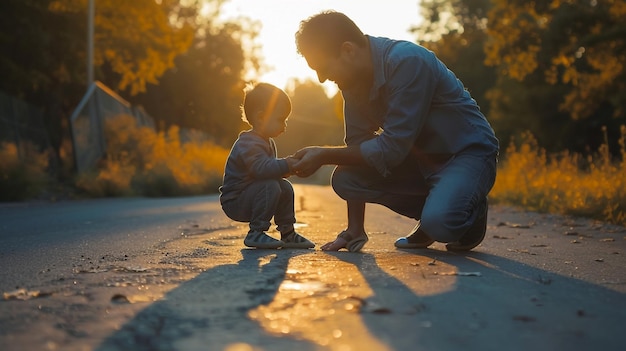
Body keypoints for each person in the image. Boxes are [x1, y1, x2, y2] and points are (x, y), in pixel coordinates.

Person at [291, 11, 499, 252]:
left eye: (323, 67)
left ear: (348, 50)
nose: (321, 79)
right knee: (346, 178)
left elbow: (391, 149)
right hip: (420, 161)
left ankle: (467, 210)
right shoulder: (352, 82)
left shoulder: (407, 61)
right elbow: (357, 146)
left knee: (442, 224)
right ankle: (437, 208)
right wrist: (354, 229)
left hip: (464, 153)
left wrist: (323, 155)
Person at [219, 83, 315, 249]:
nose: (284, 126)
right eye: (280, 120)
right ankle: (255, 232)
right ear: (261, 117)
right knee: (270, 186)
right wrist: (286, 164)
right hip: (236, 201)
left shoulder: (266, 141)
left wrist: (290, 168)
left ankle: (288, 233)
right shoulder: (248, 143)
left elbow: (267, 171)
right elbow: (260, 169)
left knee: (284, 187)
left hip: (252, 193)